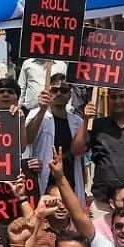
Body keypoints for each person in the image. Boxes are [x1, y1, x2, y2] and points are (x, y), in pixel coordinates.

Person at [78, 84, 124, 211]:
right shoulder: (96, 126)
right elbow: (77, 150)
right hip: (102, 205)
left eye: (122, 96)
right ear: (108, 99)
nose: (118, 101)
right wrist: (86, 120)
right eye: (113, 97)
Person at [24, 74, 87, 204]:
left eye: (64, 90)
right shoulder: (37, 115)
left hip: (70, 181)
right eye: (54, 90)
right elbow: (28, 139)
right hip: (45, 181)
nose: (59, 94)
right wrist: (42, 110)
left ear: (70, 95)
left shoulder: (78, 122)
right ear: (48, 92)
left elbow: (79, 155)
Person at [28, 182, 73, 247]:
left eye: (65, 202)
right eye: (56, 202)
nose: (61, 207)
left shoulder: (79, 230)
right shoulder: (36, 228)